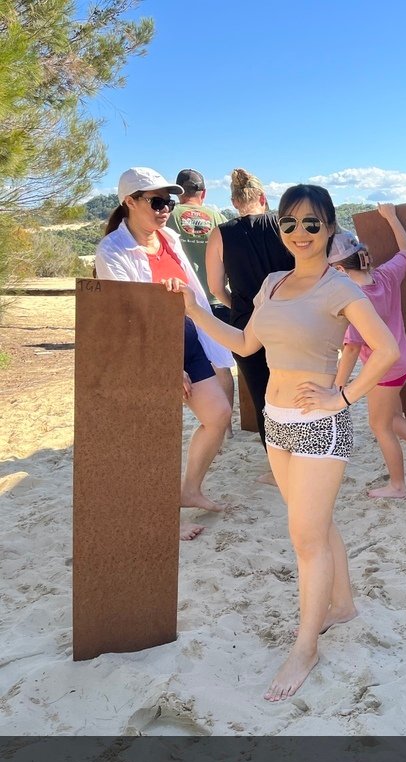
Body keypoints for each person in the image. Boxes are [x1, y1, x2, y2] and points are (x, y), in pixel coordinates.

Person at [165, 184, 399, 702]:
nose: (299, 233)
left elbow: (385, 349)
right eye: (289, 223)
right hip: (277, 422)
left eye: (312, 224)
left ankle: (305, 647)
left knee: (305, 538)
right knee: (316, 524)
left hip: (321, 425)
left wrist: (343, 397)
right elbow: (248, 343)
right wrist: (196, 313)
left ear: (330, 230)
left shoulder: (340, 288)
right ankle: (342, 606)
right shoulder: (271, 283)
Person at [94, 167, 233, 540]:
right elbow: (127, 316)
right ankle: (160, 520)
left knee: (218, 414)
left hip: (186, 338)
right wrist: (161, 363)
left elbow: (194, 294)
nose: (164, 210)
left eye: (168, 202)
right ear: (129, 202)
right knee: (156, 436)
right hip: (146, 349)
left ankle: (189, 490)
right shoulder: (113, 250)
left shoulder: (169, 236)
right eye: (155, 201)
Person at [330, 203, 406, 499]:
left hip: (385, 369)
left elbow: (351, 349)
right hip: (404, 360)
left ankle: (398, 485)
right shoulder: (385, 276)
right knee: (391, 416)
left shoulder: (354, 299)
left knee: (379, 426)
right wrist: (391, 217)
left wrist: (338, 389)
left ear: (339, 269)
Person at [206, 169, 294, 473]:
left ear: (233, 201)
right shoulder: (283, 224)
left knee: (262, 397)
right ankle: (305, 455)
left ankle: (278, 468)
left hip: (248, 326)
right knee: (298, 389)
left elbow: (216, 287)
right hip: (292, 319)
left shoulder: (221, 234)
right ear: (264, 198)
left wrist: (240, 307)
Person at [167, 169, 234, 432]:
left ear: (179, 191)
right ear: (203, 193)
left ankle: (205, 422)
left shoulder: (168, 217)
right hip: (217, 300)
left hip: (182, 301)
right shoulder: (218, 217)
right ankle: (224, 427)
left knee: (184, 365)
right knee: (221, 365)